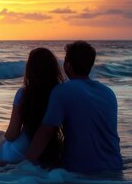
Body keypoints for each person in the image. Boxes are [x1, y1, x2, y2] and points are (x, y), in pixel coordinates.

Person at [26, 41, 123, 173]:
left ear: (68, 65)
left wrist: (24, 166)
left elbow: (45, 133)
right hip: (115, 167)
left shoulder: (63, 91)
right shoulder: (108, 92)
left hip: (81, 170)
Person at [0, 47, 63, 165]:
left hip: (17, 155)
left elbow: (11, 135)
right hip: (48, 152)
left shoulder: (24, 94)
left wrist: (5, 136)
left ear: (30, 70)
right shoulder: (61, 93)